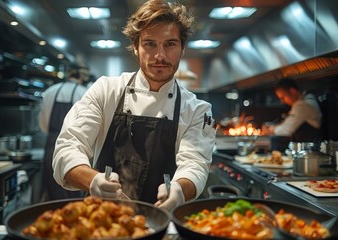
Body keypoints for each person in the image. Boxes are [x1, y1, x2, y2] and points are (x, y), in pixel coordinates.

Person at [52, 0, 216, 211]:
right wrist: (93, 180)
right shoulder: (105, 90)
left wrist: (179, 190)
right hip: (102, 219)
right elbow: (68, 146)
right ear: (136, 49)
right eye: (150, 44)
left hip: (162, 220)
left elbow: (196, 165)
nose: (160, 56)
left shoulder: (197, 110)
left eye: (170, 44)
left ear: (182, 49)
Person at [38, 64, 90, 201]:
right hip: (76, 151)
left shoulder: (50, 92)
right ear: (82, 75)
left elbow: (43, 124)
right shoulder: (85, 92)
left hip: (51, 147)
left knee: (52, 194)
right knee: (73, 197)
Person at [263, 78, 322, 147]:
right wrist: (272, 127)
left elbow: (286, 130)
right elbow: (287, 123)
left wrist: (269, 130)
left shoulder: (303, 105)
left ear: (292, 91)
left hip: (309, 150)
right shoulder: (303, 101)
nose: (282, 101)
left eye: (283, 97)